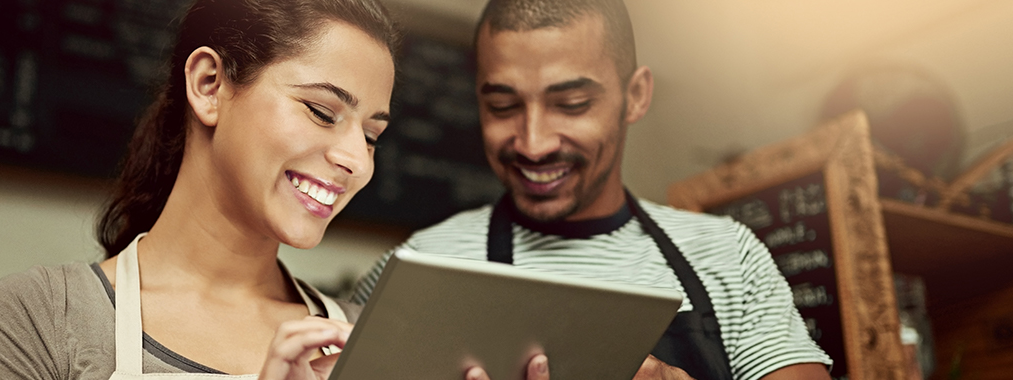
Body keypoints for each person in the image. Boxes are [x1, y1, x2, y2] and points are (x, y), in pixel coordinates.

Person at [351, 0, 834, 379]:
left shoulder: (729, 256)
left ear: (636, 96)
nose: (533, 143)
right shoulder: (416, 267)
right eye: (503, 106)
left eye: (572, 103)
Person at [0, 0, 401, 378]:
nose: (357, 161)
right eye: (322, 112)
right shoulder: (37, 318)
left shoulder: (372, 346)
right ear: (208, 85)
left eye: (371, 137)